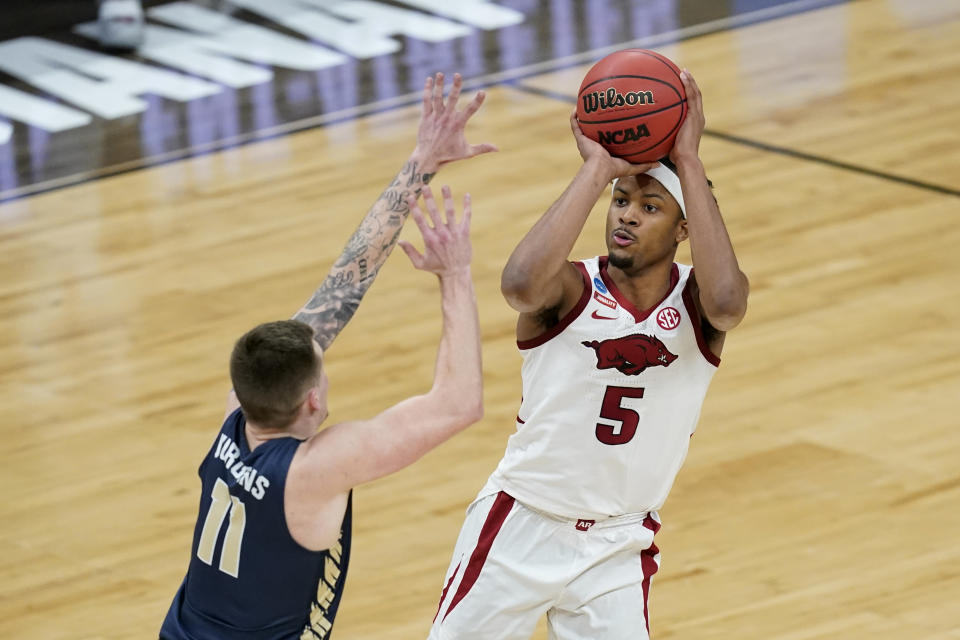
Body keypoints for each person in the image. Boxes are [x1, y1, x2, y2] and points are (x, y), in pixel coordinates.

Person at [160, 72, 496, 640]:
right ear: (313, 399)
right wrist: (455, 275)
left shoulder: (234, 416)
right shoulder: (315, 469)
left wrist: (423, 162)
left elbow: (343, 287)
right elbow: (458, 404)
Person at [428, 70, 749, 639]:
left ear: (683, 230)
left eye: (650, 208)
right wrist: (597, 167)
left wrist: (690, 162)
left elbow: (728, 302)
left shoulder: (697, 304)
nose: (626, 214)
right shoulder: (571, 289)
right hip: (524, 521)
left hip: (618, 542)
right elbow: (519, 285)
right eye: (621, 201)